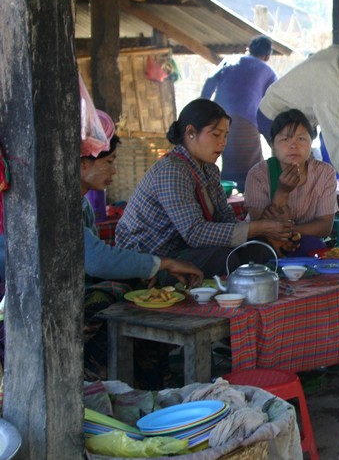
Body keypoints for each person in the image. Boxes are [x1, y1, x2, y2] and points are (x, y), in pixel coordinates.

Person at [81, 112, 203, 382]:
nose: (114, 170)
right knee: (114, 293)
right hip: (45, 300)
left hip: (77, 287)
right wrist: (164, 263)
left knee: (139, 288)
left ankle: (150, 381)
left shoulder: (82, 204)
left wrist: (145, 270)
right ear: (82, 164)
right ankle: (99, 376)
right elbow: (97, 261)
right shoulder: (63, 205)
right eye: (110, 161)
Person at [115, 99, 295, 278]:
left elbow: (226, 220)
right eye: (216, 134)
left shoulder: (209, 170)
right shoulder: (172, 170)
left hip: (184, 250)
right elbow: (194, 233)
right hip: (152, 259)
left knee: (259, 249)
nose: (223, 142)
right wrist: (257, 228)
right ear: (191, 132)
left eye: (225, 135)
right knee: (221, 259)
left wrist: (263, 234)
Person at [258, 31, 339, 207]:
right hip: (273, 116)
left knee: (308, 174)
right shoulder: (330, 88)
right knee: (292, 176)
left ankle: (302, 218)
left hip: (300, 120)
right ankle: (282, 222)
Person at [245, 109, 337, 257]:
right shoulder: (258, 174)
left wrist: (290, 231)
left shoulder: (325, 174)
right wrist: (282, 192)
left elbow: (325, 226)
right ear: (273, 144)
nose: (293, 146)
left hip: (302, 239)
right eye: (285, 139)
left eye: (301, 139)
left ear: (311, 142)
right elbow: (259, 224)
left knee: (314, 248)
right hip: (266, 241)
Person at [201, 35, 278, 191]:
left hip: (217, 118)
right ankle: (246, 201)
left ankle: (225, 195)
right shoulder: (268, 71)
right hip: (245, 121)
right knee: (251, 165)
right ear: (268, 56)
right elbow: (274, 102)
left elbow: (210, 81)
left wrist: (202, 108)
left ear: (248, 50)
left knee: (228, 159)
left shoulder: (230, 60)